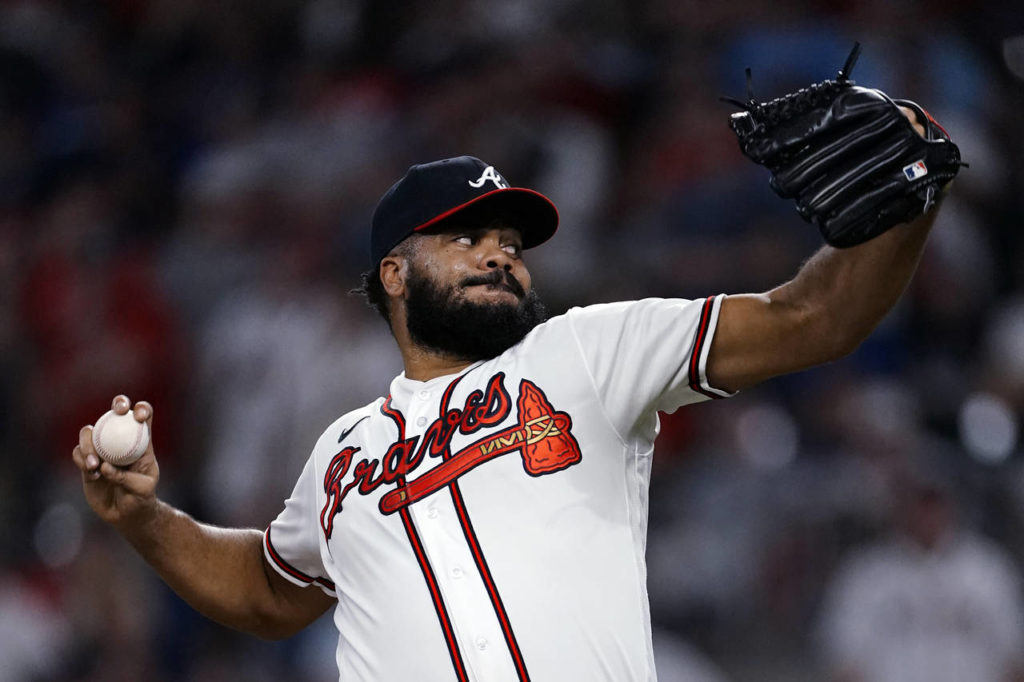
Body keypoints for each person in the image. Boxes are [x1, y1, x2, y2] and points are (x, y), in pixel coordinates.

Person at [73, 107, 943, 680]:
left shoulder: (587, 352)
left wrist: (910, 188)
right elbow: (268, 590)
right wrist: (143, 518)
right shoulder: (343, 451)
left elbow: (813, 319)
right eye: (466, 238)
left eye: (512, 244)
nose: (500, 254)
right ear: (394, 273)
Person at [817, 466, 1024, 682]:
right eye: (919, 505)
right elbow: (843, 657)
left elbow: (1013, 656)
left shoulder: (987, 570)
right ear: (901, 508)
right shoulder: (867, 573)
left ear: (950, 508)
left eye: (933, 505)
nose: (926, 515)